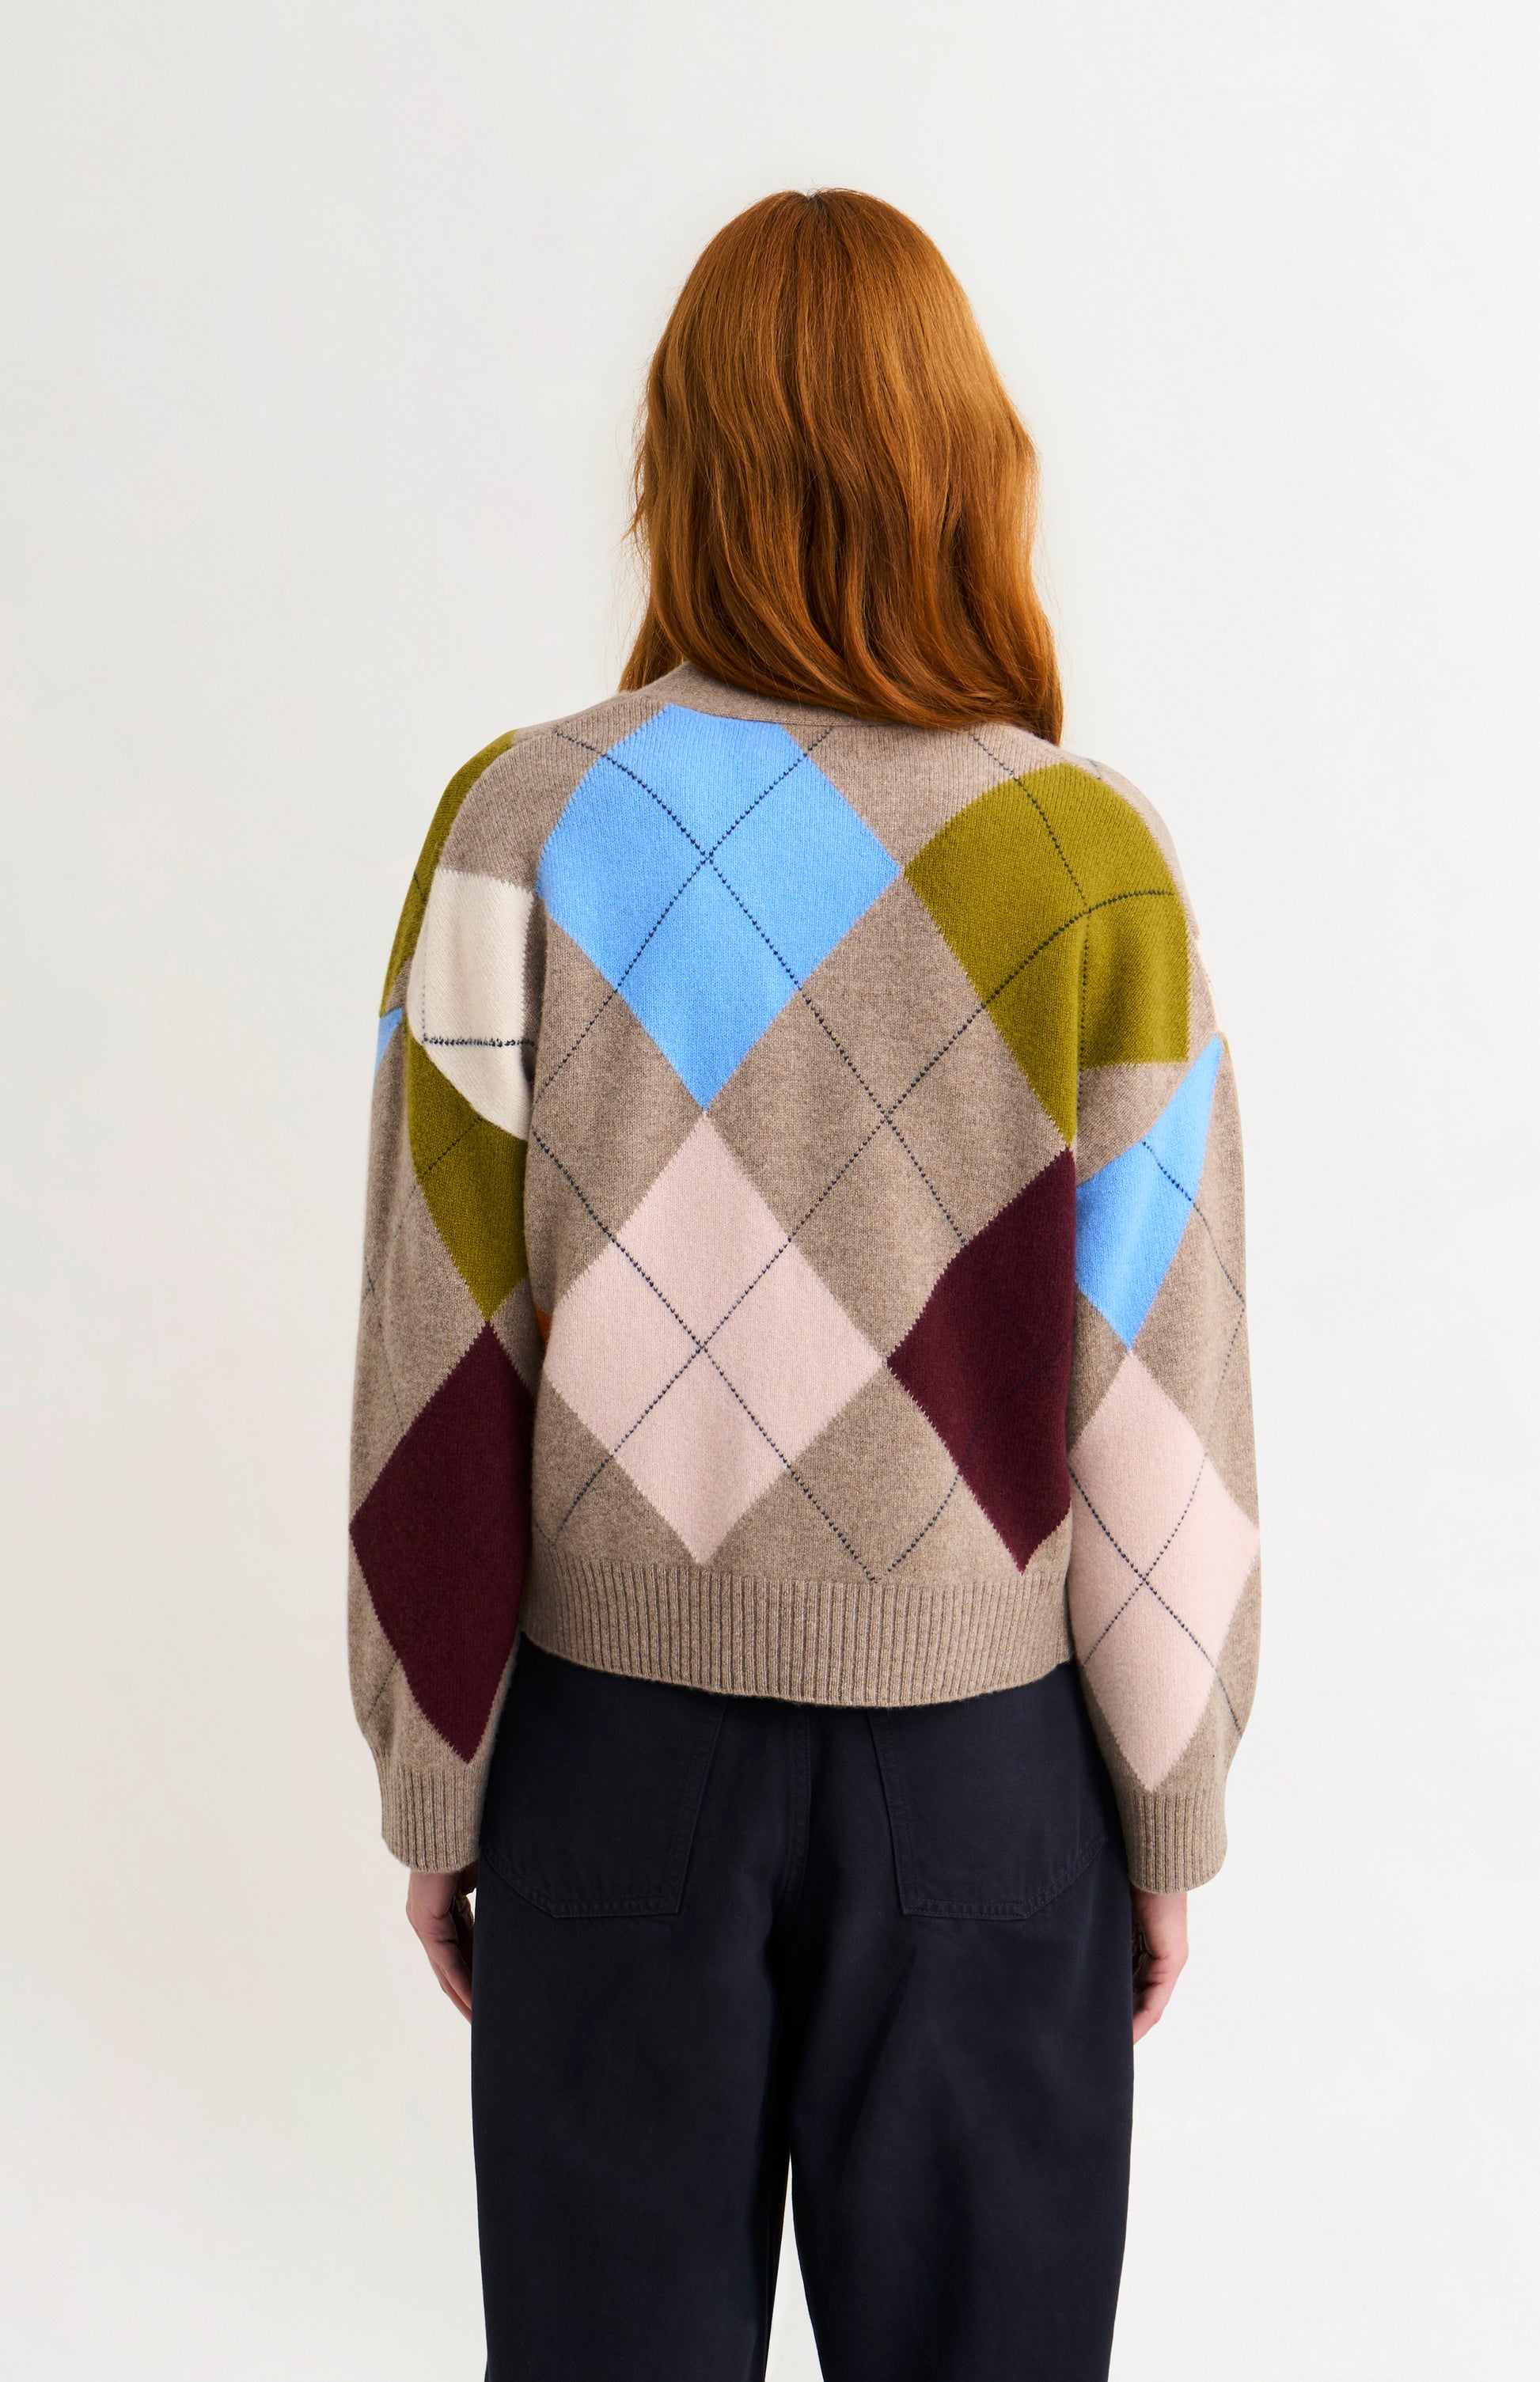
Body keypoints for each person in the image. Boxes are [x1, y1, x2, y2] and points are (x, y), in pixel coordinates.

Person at [347, 188, 1259, 2382]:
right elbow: (1158, 1380)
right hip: (984, 1792)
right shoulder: (1088, 860)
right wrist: (1166, 1802)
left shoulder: (520, 825)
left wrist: (440, 1778)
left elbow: (433, 1351)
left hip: (610, 1771)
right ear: (968, 462)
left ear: (680, 460)